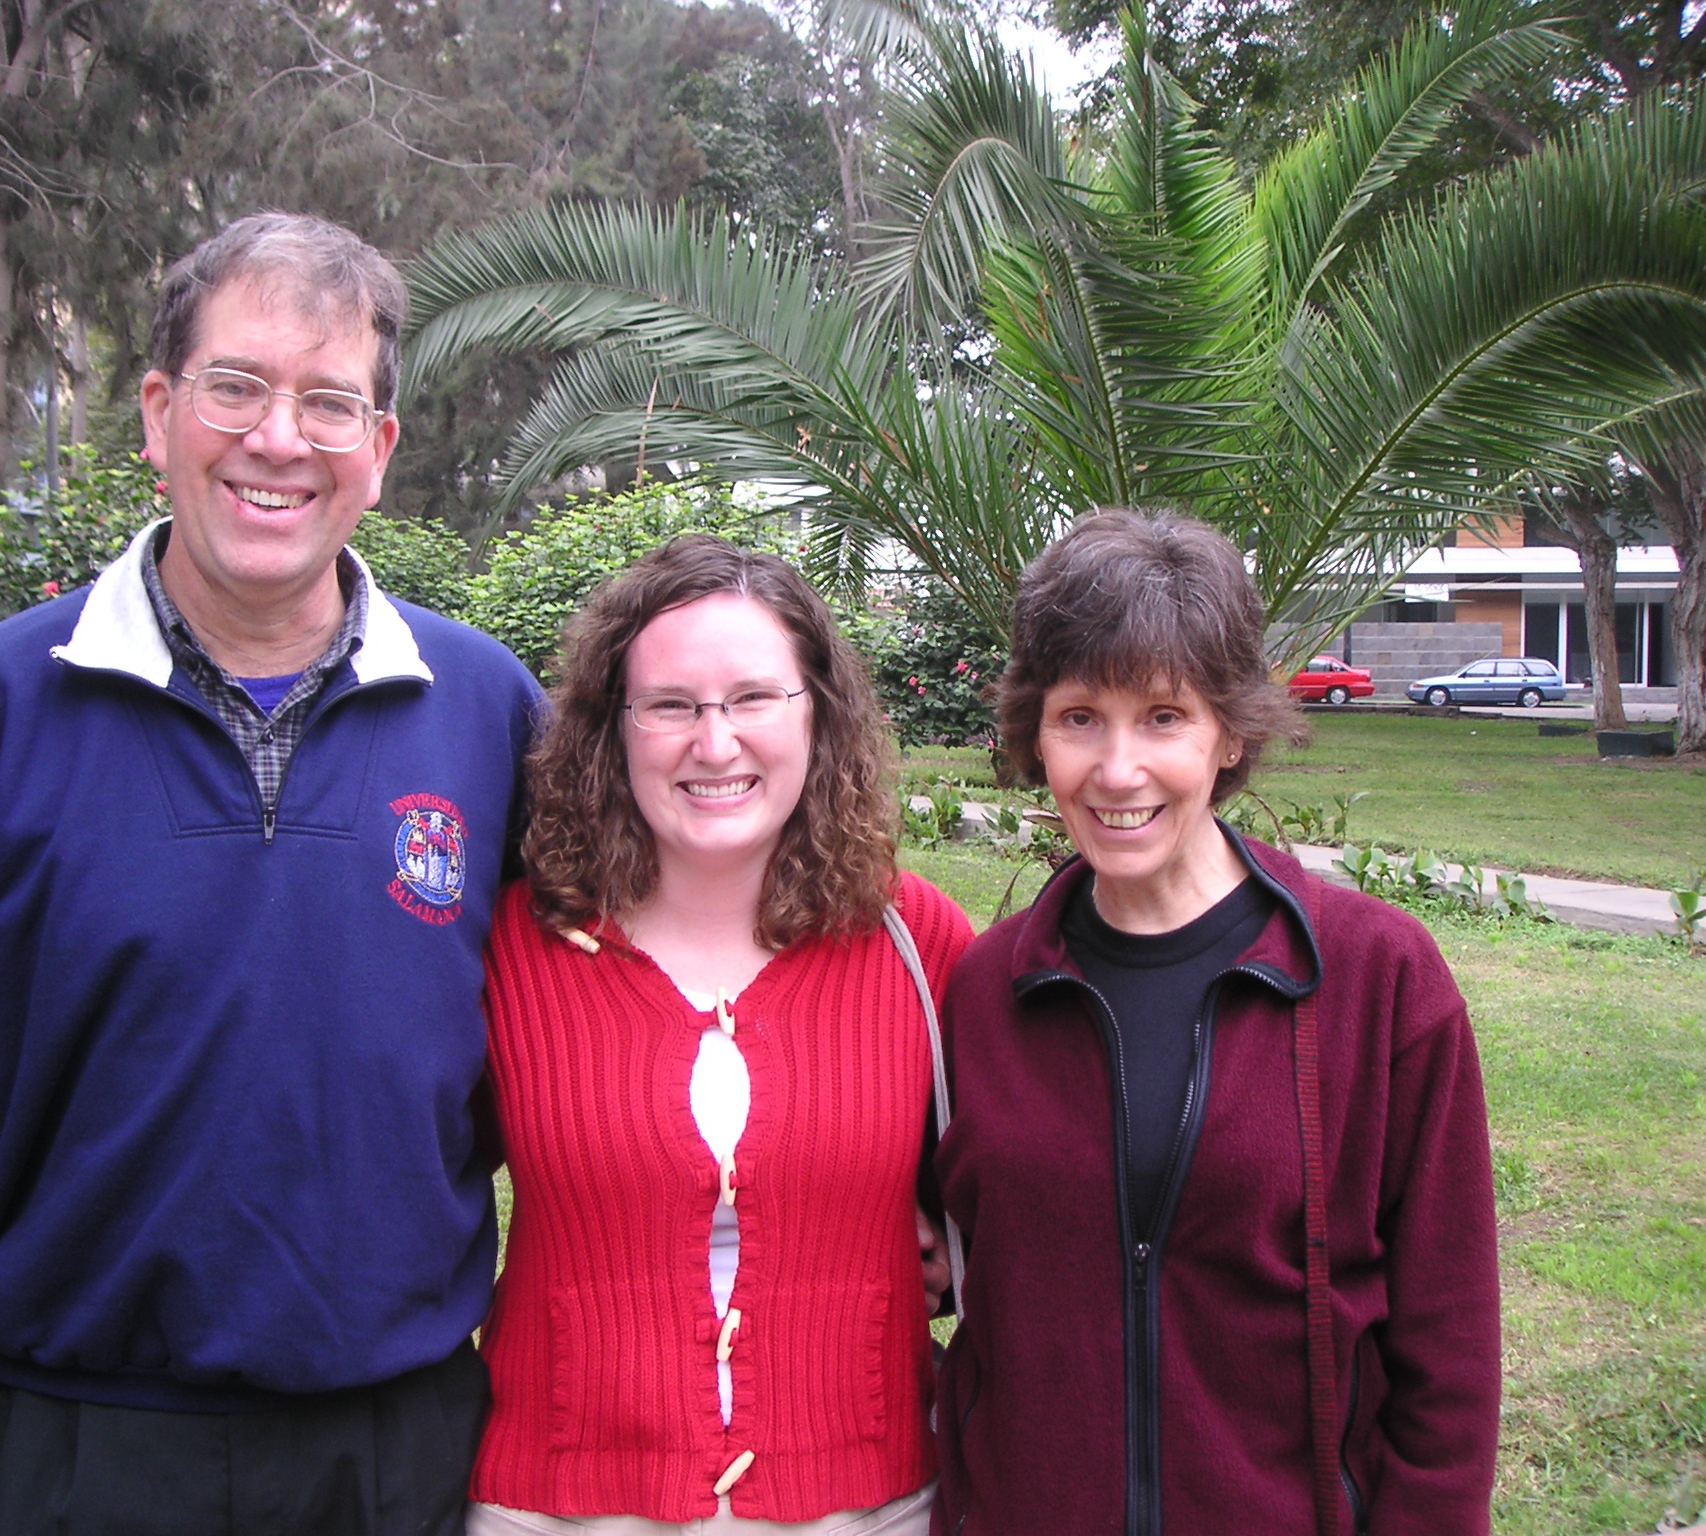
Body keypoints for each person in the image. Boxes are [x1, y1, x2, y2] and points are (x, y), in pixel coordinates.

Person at [0, 213, 544, 1535]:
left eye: (329, 403)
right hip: (65, 1456)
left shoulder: (487, 713)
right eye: (236, 388)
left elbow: (599, 1043)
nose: (278, 440)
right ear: (158, 414)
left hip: (393, 1458)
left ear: (377, 451)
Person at [931, 509, 1500, 1536]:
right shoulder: (984, 991)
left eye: (1162, 717)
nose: (1114, 771)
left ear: (1229, 728)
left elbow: (1447, 1339)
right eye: (1076, 718)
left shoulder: (1375, 979)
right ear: (1033, 729)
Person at [467, 535, 974, 1534]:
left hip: (866, 1506)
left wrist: (956, 1255)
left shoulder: (917, 945)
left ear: (815, 716)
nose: (713, 742)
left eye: (751, 698)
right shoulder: (511, 955)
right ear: (611, 729)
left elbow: (1028, 1194)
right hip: (559, 1505)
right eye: (670, 706)